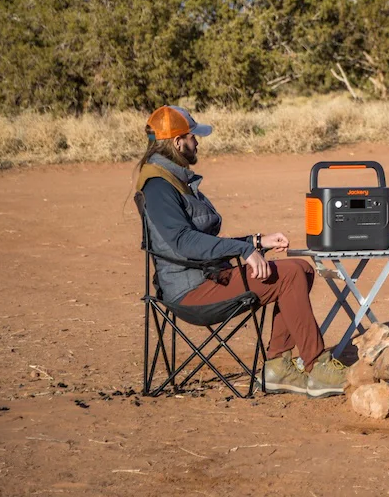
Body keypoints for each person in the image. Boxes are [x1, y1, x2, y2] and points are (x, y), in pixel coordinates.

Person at [135, 105, 346, 398]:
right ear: (177, 142)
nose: (197, 142)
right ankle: (318, 366)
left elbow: (200, 240)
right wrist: (244, 249)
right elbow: (184, 242)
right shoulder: (159, 186)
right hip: (191, 292)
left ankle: (278, 368)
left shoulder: (175, 179)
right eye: (193, 137)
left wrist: (256, 242)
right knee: (289, 276)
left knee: (302, 268)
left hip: (208, 277)